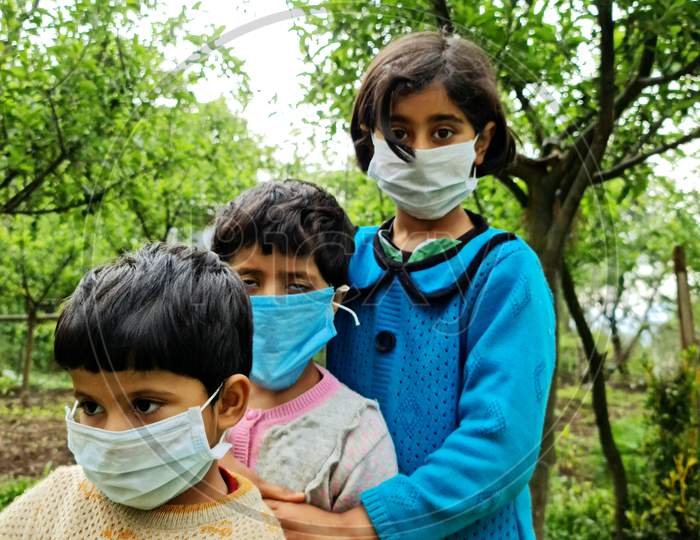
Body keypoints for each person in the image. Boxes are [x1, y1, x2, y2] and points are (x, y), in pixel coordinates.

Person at [267, 32, 556, 540]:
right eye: (399, 132)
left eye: (443, 131)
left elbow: (500, 442)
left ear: (481, 142)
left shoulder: (505, 271)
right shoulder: (341, 257)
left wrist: (363, 526)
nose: (419, 151)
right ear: (371, 140)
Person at [0, 243, 283, 539]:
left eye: (144, 405)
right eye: (91, 406)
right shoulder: (55, 500)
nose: (113, 434)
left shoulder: (251, 533)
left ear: (228, 403)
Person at [211, 179, 398, 513]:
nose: (270, 300)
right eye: (249, 281)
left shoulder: (357, 434)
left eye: (296, 287)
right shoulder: (187, 401)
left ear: (335, 300)